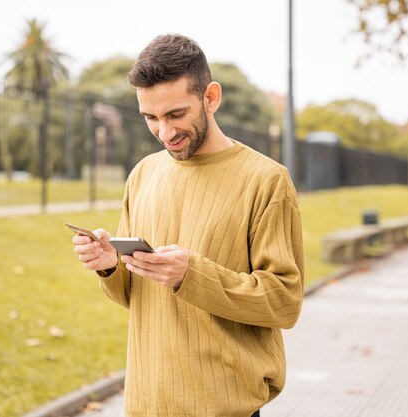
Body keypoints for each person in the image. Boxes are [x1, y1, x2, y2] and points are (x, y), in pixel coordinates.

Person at [72, 33, 304, 417]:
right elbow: (132, 297)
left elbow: (284, 302)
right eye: (151, 118)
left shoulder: (267, 181)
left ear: (210, 98)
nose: (165, 132)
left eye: (176, 115)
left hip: (224, 409)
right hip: (146, 405)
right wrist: (109, 265)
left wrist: (191, 274)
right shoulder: (143, 174)